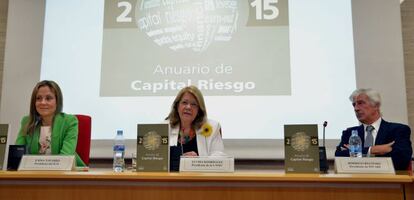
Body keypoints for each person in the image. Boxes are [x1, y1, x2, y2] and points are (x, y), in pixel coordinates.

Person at [335, 88, 412, 170]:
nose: (356, 108)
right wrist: (372, 150)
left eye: (361, 103)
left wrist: (356, 152)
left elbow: (401, 160)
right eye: (354, 104)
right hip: (356, 180)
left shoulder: (398, 130)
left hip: (388, 181)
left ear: (376, 105)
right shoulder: (349, 133)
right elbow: (339, 157)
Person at [15, 80, 85, 167]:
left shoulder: (69, 121)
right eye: (38, 98)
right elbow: (17, 155)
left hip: (67, 175)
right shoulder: (27, 121)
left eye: (48, 98)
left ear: (57, 101)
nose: (43, 102)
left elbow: (65, 157)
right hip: (35, 174)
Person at [166, 85, 225, 156]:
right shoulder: (164, 128)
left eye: (193, 104)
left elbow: (219, 158)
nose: (188, 107)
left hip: (201, 167)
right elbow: (158, 158)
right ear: (177, 106)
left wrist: (197, 161)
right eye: (184, 102)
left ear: (199, 110)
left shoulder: (212, 127)